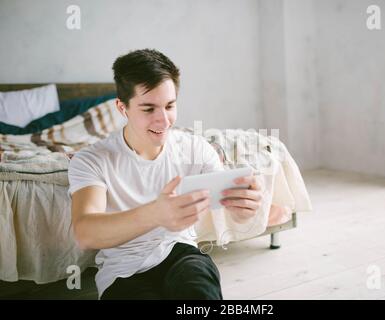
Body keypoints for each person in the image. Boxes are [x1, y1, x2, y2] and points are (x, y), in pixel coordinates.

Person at [68, 49, 263, 300]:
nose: (163, 121)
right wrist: (155, 214)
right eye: (148, 109)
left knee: (199, 292)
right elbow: (85, 234)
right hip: (123, 270)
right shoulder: (92, 160)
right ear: (122, 107)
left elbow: (231, 204)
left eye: (169, 106)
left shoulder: (196, 148)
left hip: (180, 253)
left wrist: (243, 207)